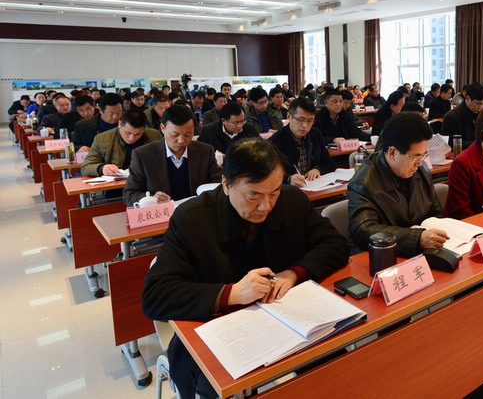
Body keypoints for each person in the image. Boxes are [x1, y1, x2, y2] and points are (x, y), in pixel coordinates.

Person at [141, 139, 348, 399]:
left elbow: (335, 244)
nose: (266, 206)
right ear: (226, 184)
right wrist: (232, 293)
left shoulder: (292, 200)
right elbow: (156, 296)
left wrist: (293, 273)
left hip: (286, 322)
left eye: (274, 192)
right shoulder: (192, 219)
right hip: (219, 331)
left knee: (335, 367)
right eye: (254, 195)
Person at [348, 112, 444, 257]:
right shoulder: (364, 182)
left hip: (420, 254)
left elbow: (435, 212)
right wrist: (416, 238)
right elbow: (363, 230)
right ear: (392, 152)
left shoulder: (421, 170)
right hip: (381, 257)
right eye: (415, 156)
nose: (419, 163)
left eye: (423, 155)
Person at [123, 105, 222, 207]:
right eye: (175, 134)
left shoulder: (205, 151)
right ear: (163, 128)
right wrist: (151, 199)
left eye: (188, 135)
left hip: (196, 211)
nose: (181, 140)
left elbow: (219, 183)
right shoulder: (143, 155)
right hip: (163, 213)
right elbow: (129, 194)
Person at [269, 97, 333, 188]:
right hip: (289, 190)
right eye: (300, 119)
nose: (305, 125)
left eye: (310, 120)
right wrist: (289, 179)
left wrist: (318, 169)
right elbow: (269, 173)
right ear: (289, 116)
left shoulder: (315, 134)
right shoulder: (275, 141)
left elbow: (328, 161)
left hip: (314, 186)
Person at [81, 108, 161, 177]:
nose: (131, 138)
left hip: (147, 182)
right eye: (128, 133)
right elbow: (86, 167)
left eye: (138, 134)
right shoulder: (101, 139)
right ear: (119, 124)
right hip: (116, 185)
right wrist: (102, 168)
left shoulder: (154, 136)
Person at [441, 82, 483, 150]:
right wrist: (479, 144)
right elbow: (450, 143)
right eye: (478, 103)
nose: (480, 107)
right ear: (468, 98)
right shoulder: (452, 117)